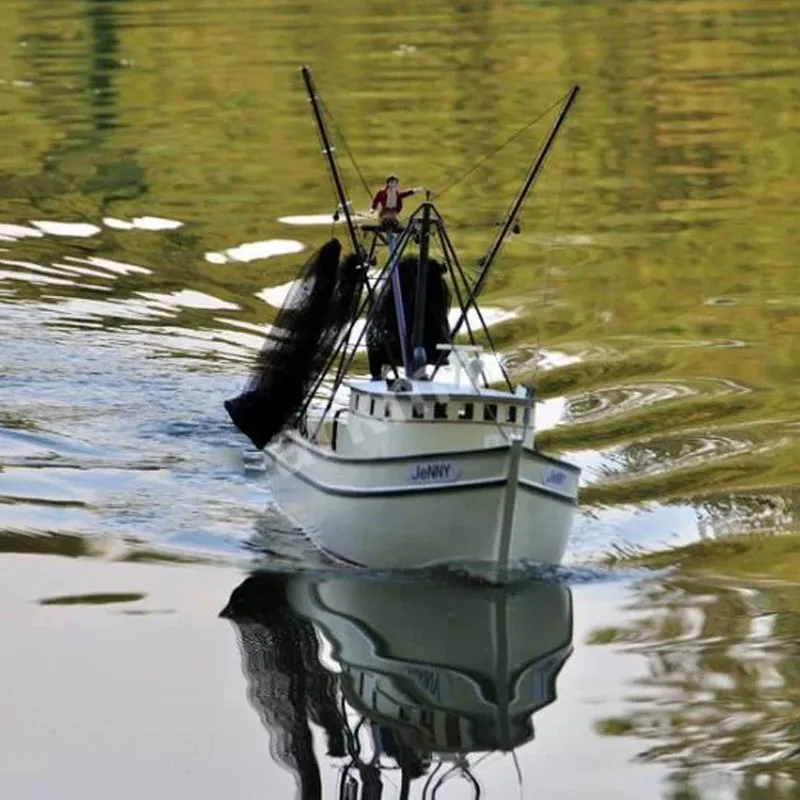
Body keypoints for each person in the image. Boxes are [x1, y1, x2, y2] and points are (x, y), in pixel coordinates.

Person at [370, 174, 422, 253]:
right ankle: (392, 241)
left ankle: (394, 241)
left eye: (394, 183)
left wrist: (414, 191)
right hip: (385, 213)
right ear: (388, 183)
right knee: (389, 224)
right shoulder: (382, 192)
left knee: (398, 227)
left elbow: (404, 194)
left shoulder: (396, 193)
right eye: (391, 182)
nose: (393, 184)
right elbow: (376, 200)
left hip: (393, 212)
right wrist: (373, 209)